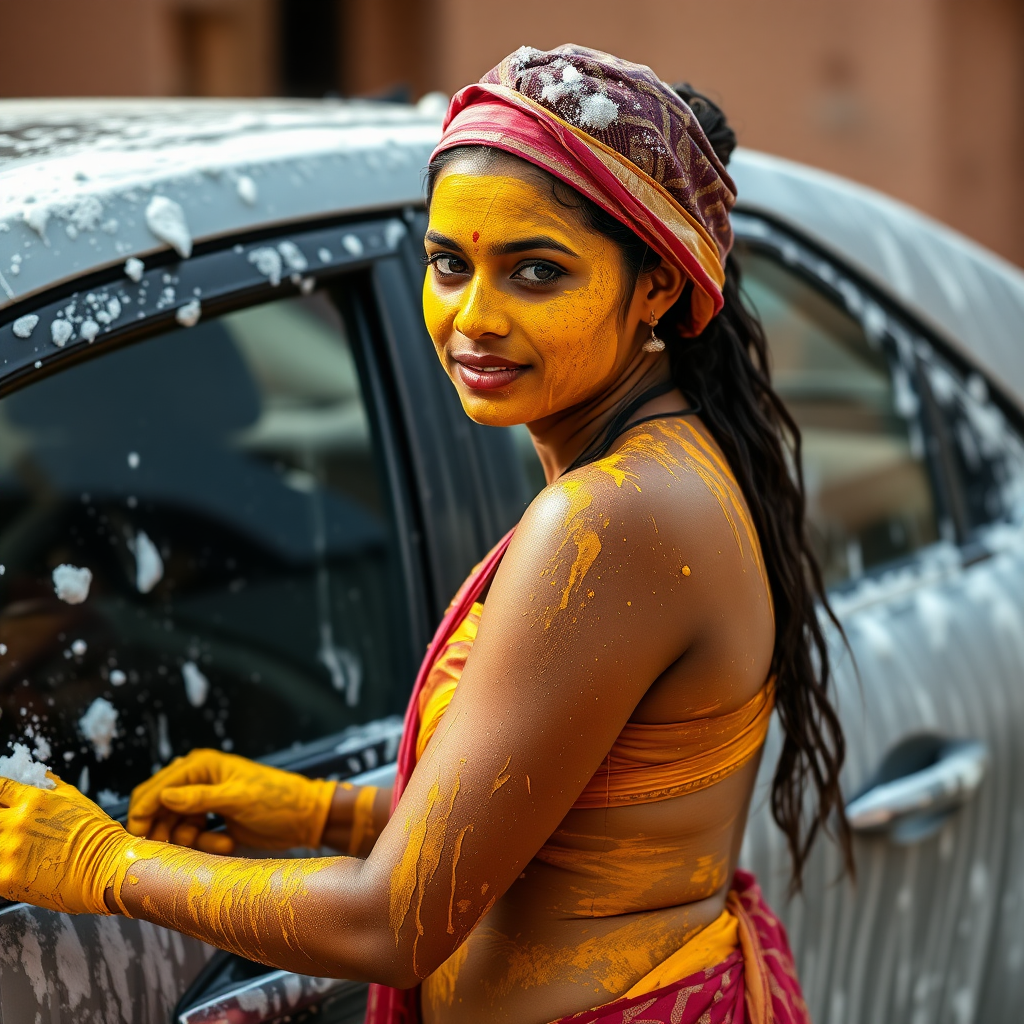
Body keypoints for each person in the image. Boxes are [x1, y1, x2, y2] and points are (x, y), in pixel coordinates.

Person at [0, 44, 850, 1024]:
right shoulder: (658, 467)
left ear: (656, 286)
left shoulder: (612, 516)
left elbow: (394, 925)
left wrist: (100, 862)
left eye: (535, 272)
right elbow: (563, 819)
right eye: (449, 264)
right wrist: (320, 811)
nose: (472, 318)